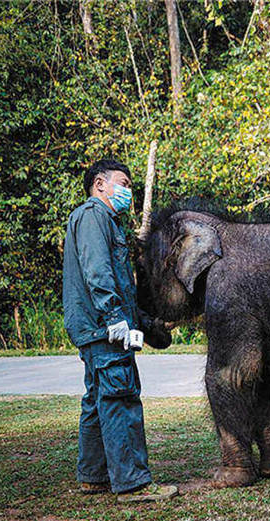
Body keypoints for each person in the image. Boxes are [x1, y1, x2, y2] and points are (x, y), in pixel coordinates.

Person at [63, 159, 178, 502]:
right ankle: (133, 483)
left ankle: (94, 476)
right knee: (120, 397)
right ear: (100, 184)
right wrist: (114, 317)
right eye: (124, 184)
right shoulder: (93, 216)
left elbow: (121, 285)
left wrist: (146, 323)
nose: (129, 191)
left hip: (97, 327)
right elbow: (97, 271)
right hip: (103, 328)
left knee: (97, 400)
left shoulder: (104, 221)